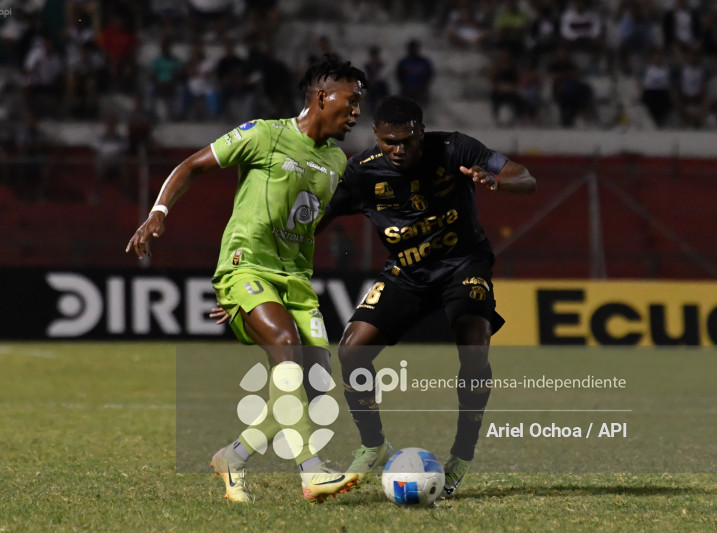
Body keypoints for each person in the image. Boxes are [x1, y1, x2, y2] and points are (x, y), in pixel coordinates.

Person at [126, 55, 368, 504]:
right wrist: (158, 214)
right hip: (247, 266)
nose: (356, 113)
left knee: (314, 387)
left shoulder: (336, 160)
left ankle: (233, 457)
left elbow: (311, 220)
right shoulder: (264, 134)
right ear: (321, 97)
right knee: (285, 347)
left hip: (295, 280)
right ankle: (312, 473)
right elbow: (191, 166)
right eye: (351, 102)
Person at [319, 95, 536, 496]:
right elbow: (317, 221)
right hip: (407, 272)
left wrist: (497, 180)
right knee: (351, 350)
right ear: (376, 136)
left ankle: (462, 455)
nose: (399, 150)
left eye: (408, 141)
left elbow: (525, 176)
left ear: (422, 132)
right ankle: (372, 444)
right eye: (389, 142)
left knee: (474, 344)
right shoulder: (362, 173)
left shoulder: (455, 148)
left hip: (463, 264)